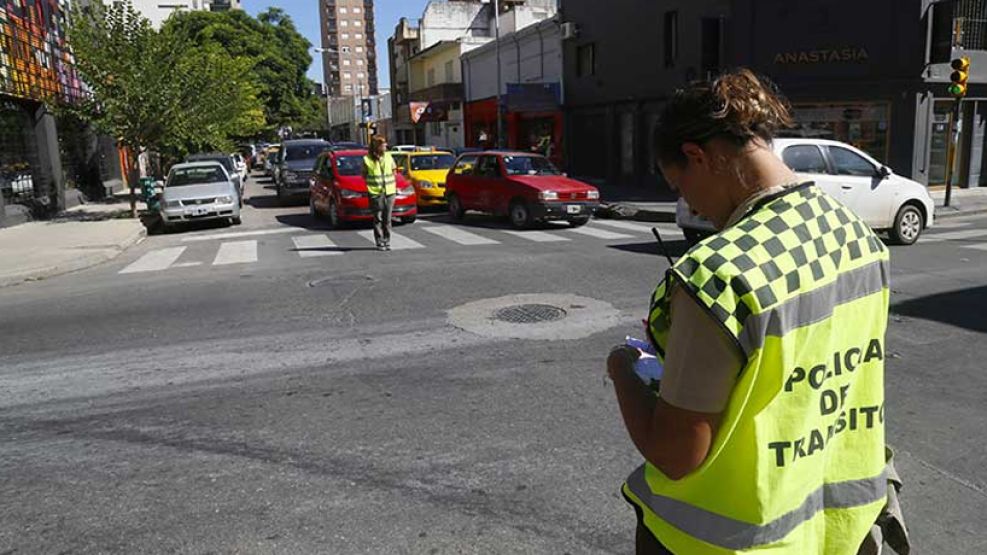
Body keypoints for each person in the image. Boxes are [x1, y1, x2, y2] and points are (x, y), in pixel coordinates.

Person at [607, 69, 893, 554]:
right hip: (840, 528)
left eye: (680, 186)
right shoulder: (855, 233)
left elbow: (678, 455)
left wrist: (622, 370)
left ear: (697, 157)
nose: (690, 205)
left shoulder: (720, 272)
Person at [362, 135, 398, 251]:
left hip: (390, 191)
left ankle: (387, 241)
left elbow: (394, 170)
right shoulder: (367, 159)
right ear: (377, 146)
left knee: (387, 218)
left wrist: (393, 181)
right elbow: (364, 175)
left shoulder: (388, 156)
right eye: (383, 144)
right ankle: (379, 241)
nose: (386, 146)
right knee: (378, 218)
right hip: (375, 192)